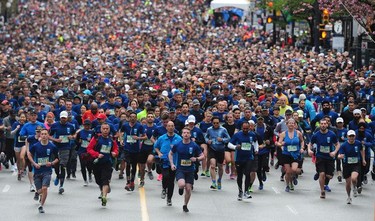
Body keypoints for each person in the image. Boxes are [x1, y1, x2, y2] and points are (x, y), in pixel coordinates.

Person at [169, 127, 204, 212]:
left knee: (188, 189)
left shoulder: (194, 145)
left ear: (190, 134)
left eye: (188, 133)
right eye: (184, 133)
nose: (186, 134)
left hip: (190, 170)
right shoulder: (177, 144)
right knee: (181, 184)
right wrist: (172, 164)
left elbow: (203, 156)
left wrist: (196, 159)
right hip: (180, 169)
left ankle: (185, 205)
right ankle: (181, 188)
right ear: (182, 134)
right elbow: (170, 154)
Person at [27, 128, 59, 213]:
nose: (44, 136)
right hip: (37, 171)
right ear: (40, 135)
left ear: (48, 135)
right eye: (42, 134)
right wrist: (34, 163)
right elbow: (29, 154)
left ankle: (41, 205)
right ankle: (38, 193)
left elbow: (57, 159)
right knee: (40, 190)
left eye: (46, 134)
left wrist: (51, 163)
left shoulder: (52, 146)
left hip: (47, 171)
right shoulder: (36, 146)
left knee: (45, 188)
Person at [87, 123, 119, 206]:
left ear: (109, 130)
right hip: (97, 162)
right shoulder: (96, 138)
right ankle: (103, 190)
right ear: (101, 130)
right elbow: (89, 149)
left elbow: (116, 149)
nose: (105, 130)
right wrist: (97, 154)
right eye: (104, 129)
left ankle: (104, 196)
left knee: (105, 179)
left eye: (107, 129)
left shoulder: (111, 139)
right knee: (98, 180)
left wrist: (114, 153)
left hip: (107, 163)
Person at [308, 119, 340, 199]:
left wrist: (335, 152)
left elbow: (337, 144)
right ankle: (322, 190)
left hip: (329, 157)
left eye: (324, 124)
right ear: (319, 125)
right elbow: (310, 144)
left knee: (329, 176)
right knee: (322, 174)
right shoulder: (316, 135)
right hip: (320, 157)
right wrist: (309, 150)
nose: (323, 125)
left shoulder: (331, 134)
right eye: (321, 124)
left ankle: (320, 175)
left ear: (327, 125)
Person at [228, 121, 260, 200]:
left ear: (249, 127)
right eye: (244, 128)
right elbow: (229, 144)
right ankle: (240, 192)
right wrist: (235, 147)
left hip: (249, 157)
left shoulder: (252, 134)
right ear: (242, 128)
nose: (245, 130)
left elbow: (255, 142)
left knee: (248, 173)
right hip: (239, 158)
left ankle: (246, 191)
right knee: (240, 175)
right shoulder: (237, 135)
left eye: (247, 128)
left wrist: (256, 149)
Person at [154, 121, 182, 206]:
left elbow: (182, 148)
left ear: (174, 127)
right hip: (164, 161)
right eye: (169, 126)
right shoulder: (162, 138)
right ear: (166, 127)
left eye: (172, 126)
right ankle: (163, 188)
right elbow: (156, 147)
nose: (170, 127)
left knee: (171, 181)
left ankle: (169, 198)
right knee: (165, 176)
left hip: (174, 162)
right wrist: (159, 153)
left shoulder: (178, 138)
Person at [49, 111, 76, 194]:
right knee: (56, 165)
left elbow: (74, 135)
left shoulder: (70, 126)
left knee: (63, 165)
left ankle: (61, 185)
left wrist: (72, 137)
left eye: (65, 118)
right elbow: (49, 136)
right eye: (62, 118)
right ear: (60, 118)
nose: (63, 119)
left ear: (67, 118)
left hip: (66, 148)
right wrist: (55, 140)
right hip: (56, 147)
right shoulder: (54, 125)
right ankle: (58, 175)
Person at [276, 118, 304, 192]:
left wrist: (302, 148)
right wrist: (281, 144)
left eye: (293, 123)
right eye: (290, 123)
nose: (291, 124)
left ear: (295, 125)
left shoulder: (298, 133)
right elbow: (279, 143)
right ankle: (288, 185)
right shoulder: (283, 134)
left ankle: (293, 177)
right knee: (288, 171)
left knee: (294, 169)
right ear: (287, 124)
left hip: (295, 154)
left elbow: (302, 141)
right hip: (286, 154)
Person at [338, 130, 366, 204]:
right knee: (347, 183)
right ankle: (349, 196)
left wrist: (363, 159)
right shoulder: (344, 145)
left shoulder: (358, 143)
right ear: (347, 137)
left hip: (355, 164)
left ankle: (355, 187)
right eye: (350, 136)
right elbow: (339, 154)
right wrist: (340, 156)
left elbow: (362, 150)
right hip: (346, 165)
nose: (351, 137)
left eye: (353, 136)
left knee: (353, 178)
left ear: (355, 136)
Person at [205, 116, 230, 190]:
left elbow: (228, 138)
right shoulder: (209, 129)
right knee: (212, 165)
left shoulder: (223, 129)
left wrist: (222, 139)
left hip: (220, 149)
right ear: (212, 123)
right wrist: (207, 141)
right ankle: (213, 182)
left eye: (217, 123)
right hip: (212, 149)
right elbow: (206, 137)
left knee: (220, 167)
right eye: (214, 123)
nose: (216, 124)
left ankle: (219, 180)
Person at [75, 119, 95, 186]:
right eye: (85, 125)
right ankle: (85, 180)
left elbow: (95, 141)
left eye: (88, 125)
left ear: (90, 126)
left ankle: (89, 173)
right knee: (83, 166)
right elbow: (76, 141)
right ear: (83, 125)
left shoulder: (92, 132)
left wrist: (90, 141)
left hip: (89, 151)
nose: (87, 126)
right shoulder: (80, 132)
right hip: (81, 151)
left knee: (89, 165)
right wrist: (79, 142)